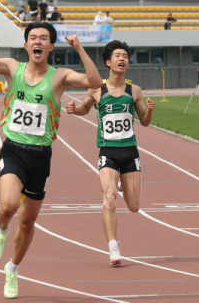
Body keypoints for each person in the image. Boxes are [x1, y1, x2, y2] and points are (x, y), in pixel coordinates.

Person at [0, 10, 102, 299]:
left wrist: (79, 48)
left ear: (51, 47)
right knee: (10, 204)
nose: (37, 41)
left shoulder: (60, 76)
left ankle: (12, 270)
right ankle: (1, 228)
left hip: (40, 157)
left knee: (27, 223)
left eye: (43, 38)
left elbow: (94, 82)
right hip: (13, 149)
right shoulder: (11, 68)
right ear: (26, 45)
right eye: (32, 38)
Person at [65, 40, 155, 267]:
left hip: (131, 151)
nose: (122, 59)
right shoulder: (97, 89)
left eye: (125, 55)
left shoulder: (134, 90)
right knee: (109, 197)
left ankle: (122, 184)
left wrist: (150, 112)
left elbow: (144, 121)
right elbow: (85, 108)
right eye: (118, 55)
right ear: (108, 61)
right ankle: (113, 246)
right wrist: (75, 110)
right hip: (108, 151)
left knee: (134, 207)